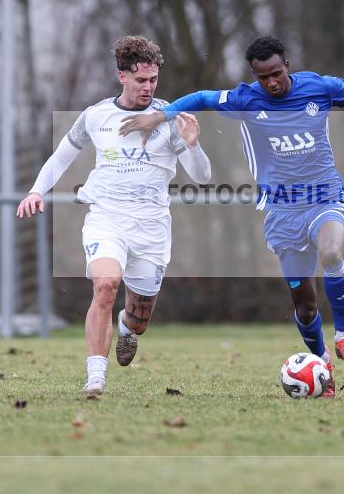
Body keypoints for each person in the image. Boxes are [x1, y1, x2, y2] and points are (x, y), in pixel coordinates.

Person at [119, 35, 344, 398]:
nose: (271, 82)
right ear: (255, 75)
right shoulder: (246, 99)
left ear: (287, 66)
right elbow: (202, 98)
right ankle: (322, 364)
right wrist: (158, 117)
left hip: (325, 196)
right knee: (305, 307)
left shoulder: (319, 88)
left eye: (277, 74)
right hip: (282, 211)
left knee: (331, 252)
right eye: (263, 77)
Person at [17, 36, 212, 398]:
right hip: (106, 218)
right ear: (122, 76)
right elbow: (61, 157)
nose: (148, 87)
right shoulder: (96, 116)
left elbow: (202, 176)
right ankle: (95, 377)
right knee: (105, 285)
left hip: (152, 227)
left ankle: (126, 327)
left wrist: (193, 143)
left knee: (139, 320)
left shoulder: (169, 118)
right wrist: (35, 191)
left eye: (153, 80)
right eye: (141, 80)